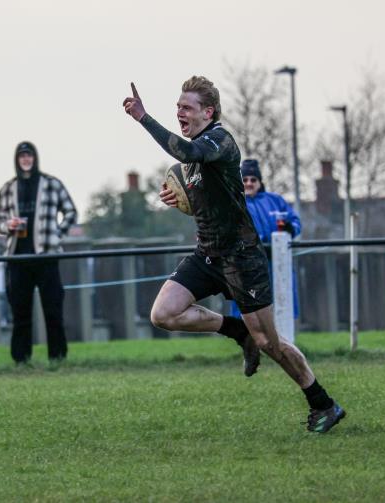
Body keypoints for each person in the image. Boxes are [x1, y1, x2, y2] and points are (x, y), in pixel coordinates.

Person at [123, 77, 345, 432]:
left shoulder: (219, 141)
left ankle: (323, 403)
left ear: (208, 112)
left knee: (269, 343)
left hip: (242, 258)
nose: (180, 112)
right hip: (207, 253)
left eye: (187, 107)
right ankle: (235, 330)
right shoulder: (190, 162)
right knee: (163, 313)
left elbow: (187, 152)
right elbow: (205, 198)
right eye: (178, 107)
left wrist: (144, 118)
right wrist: (177, 200)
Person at [0, 141, 77, 365]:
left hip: (47, 256)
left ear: (35, 158)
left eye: (29, 156)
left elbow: (70, 211)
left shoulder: (51, 183)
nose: (26, 160)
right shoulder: (8, 188)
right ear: (17, 160)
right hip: (17, 257)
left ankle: (57, 357)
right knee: (20, 313)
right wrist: (7, 226)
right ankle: (21, 360)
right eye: (22, 156)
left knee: (53, 310)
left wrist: (57, 234)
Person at [229, 159, 301, 319]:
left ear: (260, 182)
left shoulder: (276, 201)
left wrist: (290, 229)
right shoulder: (233, 202)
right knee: (248, 310)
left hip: (277, 262)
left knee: (282, 304)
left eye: (253, 179)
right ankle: (249, 342)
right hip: (247, 264)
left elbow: (296, 222)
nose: (249, 183)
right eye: (245, 179)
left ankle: (283, 341)